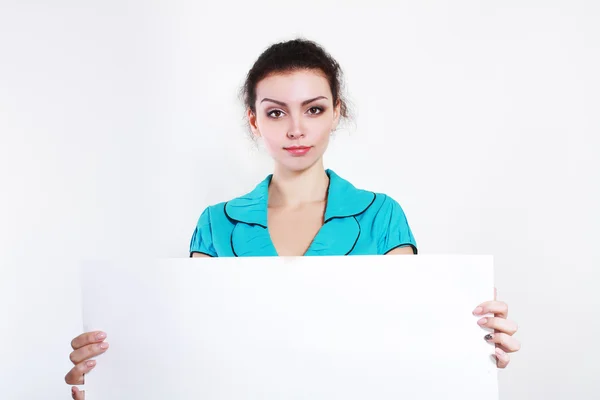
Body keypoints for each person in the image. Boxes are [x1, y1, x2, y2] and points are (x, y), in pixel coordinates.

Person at [65, 38, 520, 399]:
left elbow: (408, 341)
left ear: (336, 112)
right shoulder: (216, 224)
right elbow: (194, 350)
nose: (296, 129)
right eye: (276, 112)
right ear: (254, 120)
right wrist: (112, 375)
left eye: (314, 109)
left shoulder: (382, 215)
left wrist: (471, 344)